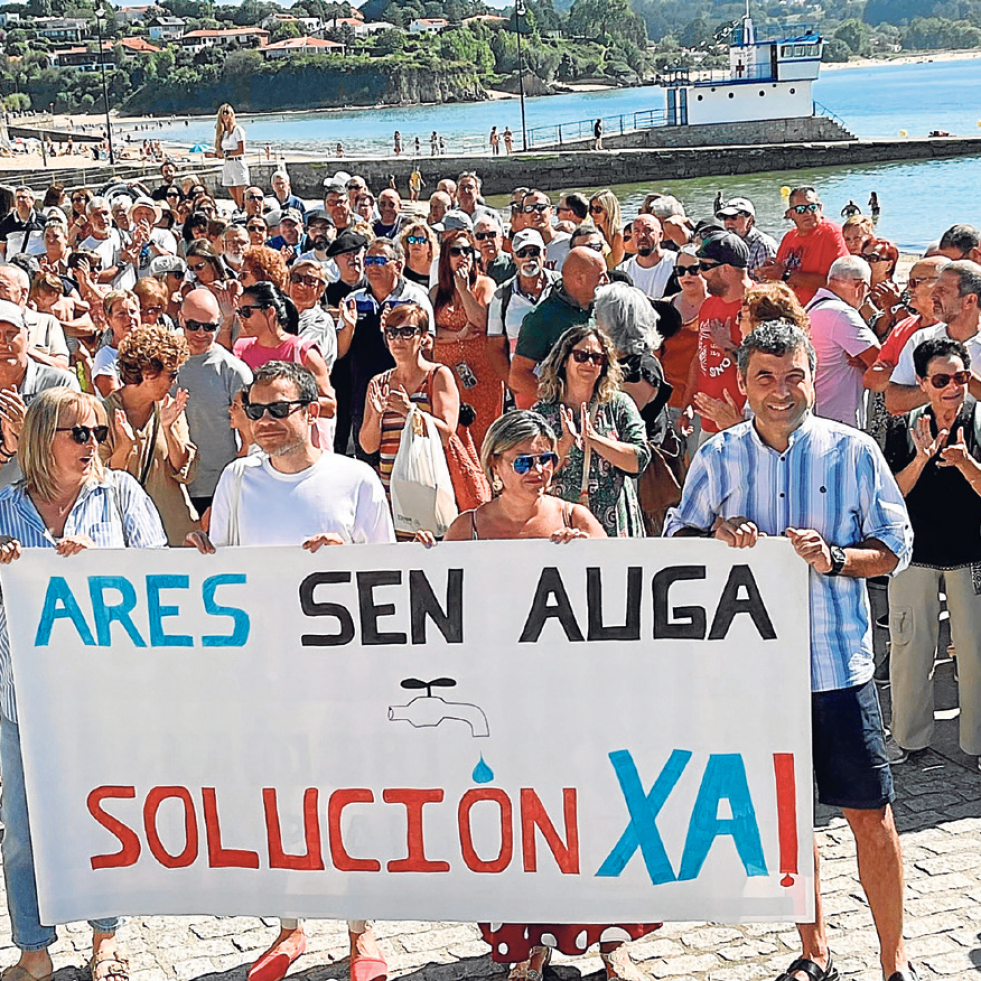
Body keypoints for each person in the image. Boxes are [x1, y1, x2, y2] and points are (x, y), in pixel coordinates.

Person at [665, 319, 917, 981]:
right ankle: (814, 951)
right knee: (787, 819)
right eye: (764, 378)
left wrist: (834, 557)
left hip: (838, 668)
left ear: (813, 374)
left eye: (793, 374)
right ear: (743, 384)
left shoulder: (854, 452)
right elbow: (675, 541)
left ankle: (894, 961)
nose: (781, 390)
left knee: (870, 816)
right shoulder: (716, 457)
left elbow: (895, 548)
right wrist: (714, 533)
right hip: (753, 674)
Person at [185, 361, 392, 981]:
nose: (266, 422)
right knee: (278, 799)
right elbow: (217, 570)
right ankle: (289, 926)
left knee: (348, 798)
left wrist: (348, 562)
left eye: (279, 409)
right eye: (256, 410)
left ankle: (362, 931)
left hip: (339, 676)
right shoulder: (236, 480)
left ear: (311, 410)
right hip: (266, 675)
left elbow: (387, 580)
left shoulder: (355, 479)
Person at [0, 388, 166, 981]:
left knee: (103, 820)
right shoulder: (2, 505)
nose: (93, 444)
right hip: (23, 698)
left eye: (98, 431)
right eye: (79, 433)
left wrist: (102, 561)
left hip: (104, 698)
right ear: (42, 439)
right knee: (21, 832)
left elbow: (162, 578)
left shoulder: (121, 495)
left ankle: (106, 942)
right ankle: (34, 952)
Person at [883, 337, 981, 767]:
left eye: (960, 377)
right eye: (941, 379)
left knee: (976, 653)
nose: (953, 388)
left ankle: (977, 746)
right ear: (922, 383)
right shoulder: (903, 427)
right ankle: (909, 740)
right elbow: (889, 494)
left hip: (970, 555)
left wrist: (965, 463)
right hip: (914, 555)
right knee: (909, 648)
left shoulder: (979, 423)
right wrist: (922, 459)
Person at [533, 324, 650, 537]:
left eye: (597, 358)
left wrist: (595, 440)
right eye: (581, 356)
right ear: (564, 360)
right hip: (561, 523)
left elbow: (639, 460)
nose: (589, 363)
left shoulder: (618, 405)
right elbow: (535, 472)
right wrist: (564, 444)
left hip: (614, 522)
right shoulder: (543, 412)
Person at [360, 302, 459, 532]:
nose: (398, 340)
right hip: (391, 489)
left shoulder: (438, 375)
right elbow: (368, 446)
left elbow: (446, 434)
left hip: (429, 485)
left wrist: (410, 411)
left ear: (423, 337)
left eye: (407, 332)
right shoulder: (378, 382)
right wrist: (376, 415)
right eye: (392, 333)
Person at [100, 324, 199, 546]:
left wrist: (168, 428)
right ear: (147, 374)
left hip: (174, 533)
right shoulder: (102, 414)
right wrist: (124, 447)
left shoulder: (171, 407)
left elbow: (186, 473)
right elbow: (102, 481)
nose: (175, 382)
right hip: (125, 536)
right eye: (171, 374)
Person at [336, 239, 434, 460]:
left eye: (379, 260)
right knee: (367, 459)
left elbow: (428, 348)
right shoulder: (354, 300)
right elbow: (340, 353)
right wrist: (349, 328)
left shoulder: (416, 298)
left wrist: (394, 331)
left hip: (406, 391)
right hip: (364, 393)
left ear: (398, 266)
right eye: (368, 260)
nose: (371, 267)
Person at [176, 288, 253, 516]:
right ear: (181, 319)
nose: (201, 333)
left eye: (209, 327)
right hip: (173, 485)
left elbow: (250, 434)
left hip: (219, 486)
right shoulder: (165, 363)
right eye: (193, 325)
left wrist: (236, 475)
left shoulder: (234, 370)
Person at [232, 282, 336, 447]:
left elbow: (330, 406)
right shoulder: (240, 350)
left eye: (246, 312)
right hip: (257, 447)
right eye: (239, 312)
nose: (242, 319)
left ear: (270, 312)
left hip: (300, 449)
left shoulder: (303, 352)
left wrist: (284, 406)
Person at [510, 247, 608, 409]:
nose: (607, 281)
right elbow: (518, 376)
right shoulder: (542, 318)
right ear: (579, 279)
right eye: (601, 276)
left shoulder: (603, 306)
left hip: (598, 410)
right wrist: (559, 402)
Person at [430, 230, 500, 450]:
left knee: (482, 435)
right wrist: (457, 336)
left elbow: (481, 321)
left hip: (482, 375)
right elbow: (431, 334)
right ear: (445, 258)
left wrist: (463, 289)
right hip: (448, 373)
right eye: (456, 251)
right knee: (451, 430)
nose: (463, 256)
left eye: (468, 250)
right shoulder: (436, 293)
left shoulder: (485, 285)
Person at [0, 300, 80, 490]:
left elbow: (78, 449)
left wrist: (27, 432)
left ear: (28, 336)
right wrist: (7, 450)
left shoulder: (60, 385)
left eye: (11, 334)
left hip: (48, 504)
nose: (3, 343)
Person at [886, 261, 981, 416]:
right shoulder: (922, 338)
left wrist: (963, 378)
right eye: (935, 289)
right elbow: (893, 401)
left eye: (943, 291)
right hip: (925, 438)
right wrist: (938, 386)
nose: (933, 296)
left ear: (970, 300)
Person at [682, 232, 752, 443]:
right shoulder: (709, 304)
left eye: (704, 267)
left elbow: (771, 369)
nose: (700, 274)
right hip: (708, 421)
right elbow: (699, 355)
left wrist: (727, 346)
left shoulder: (757, 307)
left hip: (742, 423)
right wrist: (688, 402)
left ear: (727, 269)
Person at [806, 255, 880, 429]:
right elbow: (881, 363)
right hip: (838, 418)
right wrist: (864, 364)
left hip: (818, 412)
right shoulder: (841, 314)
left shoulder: (813, 306)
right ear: (861, 287)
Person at [864, 256, 947, 395]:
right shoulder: (904, 326)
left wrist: (893, 372)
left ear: (941, 286)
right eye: (909, 282)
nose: (908, 288)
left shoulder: (951, 330)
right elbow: (870, 379)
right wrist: (907, 375)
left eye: (915, 282)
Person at [487, 229, 559, 386]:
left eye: (534, 252)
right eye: (521, 253)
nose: (528, 258)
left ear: (544, 253)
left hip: (564, 386)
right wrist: (514, 385)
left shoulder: (563, 287)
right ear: (513, 257)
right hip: (524, 389)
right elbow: (495, 348)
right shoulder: (501, 295)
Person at [758, 186, 848, 305]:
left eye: (812, 207)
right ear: (790, 214)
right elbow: (780, 272)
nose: (808, 213)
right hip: (790, 309)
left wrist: (785, 274)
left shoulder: (832, 234)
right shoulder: (789, 237)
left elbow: (837, 283)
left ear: (820, 208)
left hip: (820, 309)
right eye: (800, 209)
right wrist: (769, 271)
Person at [663, 246, 707, 454]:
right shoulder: (664, 307)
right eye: (680, 270)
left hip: (702, 404)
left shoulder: (717, 307)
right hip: (667, 403)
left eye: (693, 269)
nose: (686, 275)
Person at [92, 289, 141, 397]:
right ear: (109, 321)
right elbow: (114, 398)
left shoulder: (148, 351)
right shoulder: (105, 357)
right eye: (121, 313)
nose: (129, 317)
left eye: (133, 311)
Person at [716, 197, 777, 280]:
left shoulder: (763, 246)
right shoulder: (723, 243)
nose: (728, 222)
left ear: (750, 221)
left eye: (734, 217)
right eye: (725, 217)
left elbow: (768, 284)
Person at [288, 259, 336, 362]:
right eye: (296, 278)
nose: (301, 285)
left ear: (320, 290)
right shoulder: (282, 314)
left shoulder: (322, 320)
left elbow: (298, 349)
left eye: (310, 281)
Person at [619, 214, 676, 299]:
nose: (642, 235)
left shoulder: (676, 263)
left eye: (648, 230)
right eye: (637, 231)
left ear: (660, 235)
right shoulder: (623, 269)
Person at [520, 190, 571, 272]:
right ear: (523, 216)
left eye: (540, 207)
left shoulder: (569, 243)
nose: (536, 212)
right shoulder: (520, 248)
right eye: (529, 208)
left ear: (551, 211)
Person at [214, 104, 248, 210]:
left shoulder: (237, 130)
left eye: (227, 112)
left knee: (241, 198)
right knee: (235, 199)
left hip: (237, 163)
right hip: (227, 164)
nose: (225, 115)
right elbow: (222, 152)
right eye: (223, 113)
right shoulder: (223, 133)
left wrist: (225, 154)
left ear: (232, 114)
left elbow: (241, 150)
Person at [0, 186, 44, 259]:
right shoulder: (6, 222)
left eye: (24, 197)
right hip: (14, 266)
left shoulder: (43, 220)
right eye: (18, 197)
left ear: (32, 200)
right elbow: (2, 248)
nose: (20, 200)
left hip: (36, 265)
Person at [473, 213, 514, 285]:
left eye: (492, 234)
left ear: (501, 238)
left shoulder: (513, 264)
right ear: (474, 241)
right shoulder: (471, 265)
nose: (486, 239)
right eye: (480, 236)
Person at [588, 190, 623, 268]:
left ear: (609, 211)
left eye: (598, 209)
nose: (593, 213)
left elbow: (612, 266)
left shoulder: (619, 236)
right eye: (591, 209)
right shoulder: (596, 234)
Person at [399, 220, 439, 287]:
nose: (416, 244)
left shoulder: (436, 268)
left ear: (430, 246)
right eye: (412, 239)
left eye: (421, 240)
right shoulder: (400, 267)